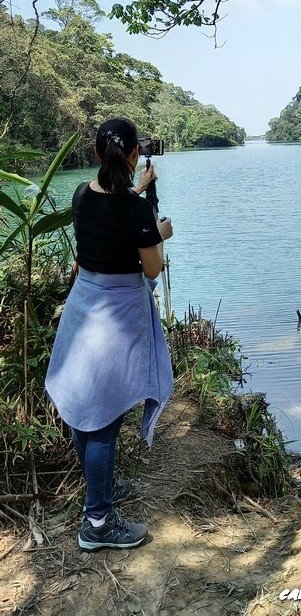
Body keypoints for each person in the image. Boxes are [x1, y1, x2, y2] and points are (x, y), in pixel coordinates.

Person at [45, 117, 174, 552]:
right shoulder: (136, 211)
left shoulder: (82, 194)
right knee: (103, 421)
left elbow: (109, 212)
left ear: (98, 154)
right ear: (134, 154)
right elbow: (152, 267)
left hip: (84, 306)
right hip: (117, 315)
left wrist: (138, 192)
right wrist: (159, 232)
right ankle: (97, 522)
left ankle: (102, 491)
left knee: (85, 406)